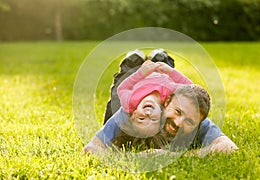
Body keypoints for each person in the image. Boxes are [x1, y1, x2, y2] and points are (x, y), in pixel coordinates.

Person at [83, 49, 238, 155]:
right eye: (177, 112)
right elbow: (91, 148)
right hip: (140, 87)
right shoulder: (136, 110)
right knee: (124, 81)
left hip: (162, 82)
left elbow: (230, 148)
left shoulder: (195, 113)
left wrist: (170, 155)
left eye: (189, 121)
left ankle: (161, 60)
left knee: (164, 72)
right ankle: (142, 60)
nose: (178, 122)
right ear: (167, 101)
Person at [116, 58, 192, 138]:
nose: (148, 114)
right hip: (162, 70)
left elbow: (122, 88)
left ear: (134, 115)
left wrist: (141, 73)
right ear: (161, 114)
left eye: (141, 118)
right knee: (161, 57)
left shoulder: (129, 103)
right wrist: (171, 71)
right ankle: (158, 54)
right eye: (154, 119)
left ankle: (135, 56)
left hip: (140, 72)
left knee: (132, 60)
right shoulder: (169, 93)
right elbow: (192, 89)